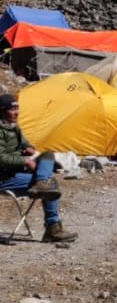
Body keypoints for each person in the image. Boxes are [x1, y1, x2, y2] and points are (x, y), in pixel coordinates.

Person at [0, 94, 77, 243]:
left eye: (17, 109)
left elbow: (25, 144)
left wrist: (28, 148)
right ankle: (52, 229)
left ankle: (41, 182)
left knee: (47, 155)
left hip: (16, 172)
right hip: (4, 178)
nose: (16, 112)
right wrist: (25, 161)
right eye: (12, 109)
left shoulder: (14, 127)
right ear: (2, 111)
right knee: (51, 183)